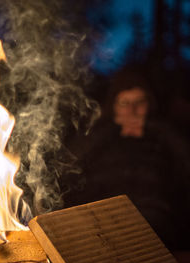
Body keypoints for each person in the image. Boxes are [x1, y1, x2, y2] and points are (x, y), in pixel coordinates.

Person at [64, 69, 190, 252]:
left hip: (154, 217)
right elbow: (69, 162)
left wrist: (154, 128)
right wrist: (112, 129)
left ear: (149, 104)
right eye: (125, 103)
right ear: (114, 105)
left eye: (139, 102)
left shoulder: (163, 136)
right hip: (103, 216)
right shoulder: (98, 135)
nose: (132, 110)